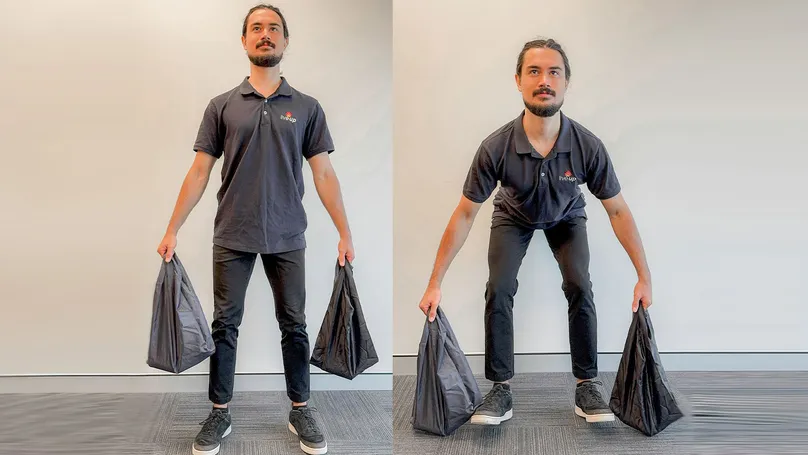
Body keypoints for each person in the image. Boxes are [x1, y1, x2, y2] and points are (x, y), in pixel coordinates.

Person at [417, 38, 653, 426]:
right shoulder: (496, 146)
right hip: (514, 216)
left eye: (553, 72)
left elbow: (618, 211)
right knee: (500, 287)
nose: (544, 80)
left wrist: (644, 277)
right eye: (534, 71)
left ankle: (586, 384)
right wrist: (434, 282)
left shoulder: (587, 146)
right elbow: (463, 215)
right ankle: (501, 388)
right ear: (518, 80)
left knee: (579, 285)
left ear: (565, 83)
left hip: (566, 216)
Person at [157, 4, 352, 454]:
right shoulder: (221, 106)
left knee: (294, 324)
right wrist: (172, 229)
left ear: (286, 42)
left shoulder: (306, 107)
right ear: (244, 41)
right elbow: (200, 172)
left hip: (287, 234)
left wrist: (345, 232)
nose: (266, 35)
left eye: (274, 29)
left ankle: (300, 408)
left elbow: (324, 175)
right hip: (233, 233)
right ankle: (219, 412)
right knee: (225, 324)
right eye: (257, 29)